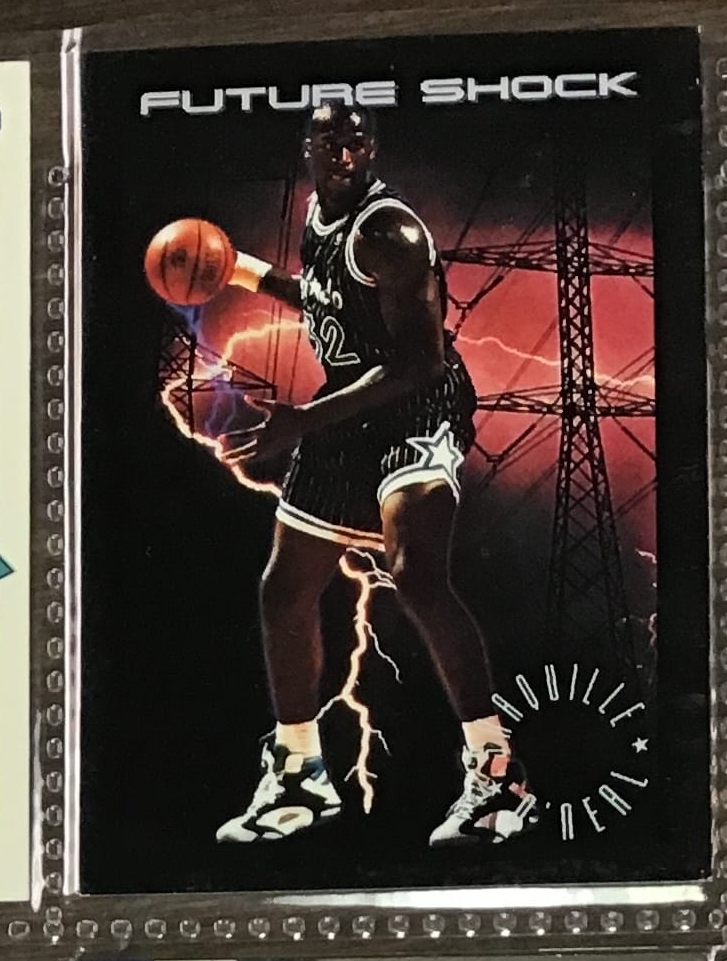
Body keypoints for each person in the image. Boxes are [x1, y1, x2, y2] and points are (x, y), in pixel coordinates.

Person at [208, 100, 535, 850]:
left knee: (415, 574)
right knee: (283, 590)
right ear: (309, 149)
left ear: (372, 151)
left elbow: (418, 363)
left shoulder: (390, 233)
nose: (344, 154)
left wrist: (299, 422)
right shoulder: (318, 217)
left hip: (417, 408)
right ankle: (298, 773)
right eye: (330, 141)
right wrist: (242, 271)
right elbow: (328, 301)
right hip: (349, 408)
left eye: (357, 142)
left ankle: (497, 774)